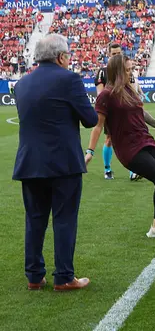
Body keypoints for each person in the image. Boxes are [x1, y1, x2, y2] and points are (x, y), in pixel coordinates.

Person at [13, 34, 97, 291]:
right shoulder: (69, 79)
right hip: (63, 163)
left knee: (35, 219)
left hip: (30, 162)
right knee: (64, 219)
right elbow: (90, 119)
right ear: (61, 57)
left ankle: (34, 276)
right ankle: (63, 277)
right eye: (68, 55)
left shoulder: (22, 84)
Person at [86, 54, 155, 238]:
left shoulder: (129, 89)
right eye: (128, 70)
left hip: (145, 140)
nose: (131, 73)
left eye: (131, 69)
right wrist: (90, 151)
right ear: (117, 71)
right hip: (128, 148)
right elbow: (98, 126)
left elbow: (142, 112)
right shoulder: (106, 96)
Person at [93, 43, 142, 181]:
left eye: (118, 53)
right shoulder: (103, 72)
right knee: (109, 139)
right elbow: (100, 95)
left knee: (131, 139)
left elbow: (132, 92)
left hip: (125, 111)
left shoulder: (127, 71)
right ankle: (107, 169)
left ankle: (133, 171)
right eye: (113, 54)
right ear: (109, 55)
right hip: (111, 111)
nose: (116, 56)